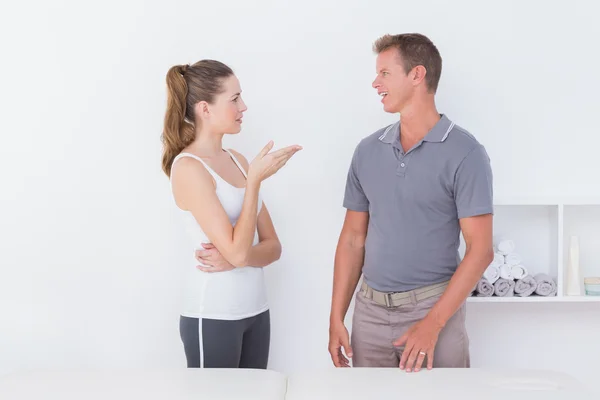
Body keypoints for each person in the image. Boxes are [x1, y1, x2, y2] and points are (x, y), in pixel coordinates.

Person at [328, 33, 494, 373]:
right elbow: (352, 239)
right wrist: (336, 318)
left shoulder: (466, 153)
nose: (375, 83)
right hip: (369, 314)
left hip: (434, 310)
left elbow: (481, 250)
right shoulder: (367, 151)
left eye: (385, 73)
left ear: (417, 75)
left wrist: (432, 324)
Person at [161, 59, 301, 369]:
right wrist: (253, 184)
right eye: (234, 99)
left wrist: (239, 256)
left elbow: (273, 247)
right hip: (213, 313)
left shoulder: (237, 159)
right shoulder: (189, 168)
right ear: (205, 109)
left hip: (255, 309)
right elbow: (240, 252)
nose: (244, 107)